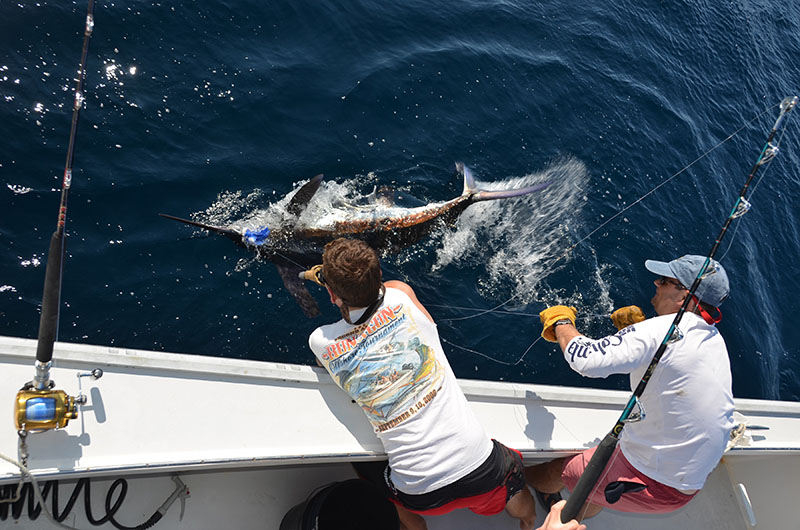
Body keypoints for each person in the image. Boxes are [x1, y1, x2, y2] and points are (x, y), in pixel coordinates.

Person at [308, 237, 537, 530]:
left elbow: (330, 359)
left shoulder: (320, 342)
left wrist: (337, 290)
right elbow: (386, 292)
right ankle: (530, 521)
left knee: (366, 470)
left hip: (418, 494)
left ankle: (416, 527)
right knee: (512, 481)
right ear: (379, 276)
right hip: (481, 470)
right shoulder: (400, 295)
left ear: (330, 295)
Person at [525, 254, 736, 519]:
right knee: (594, 468)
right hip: (685, 480)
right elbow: (673, 362)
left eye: (666, 281)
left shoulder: (661, 331)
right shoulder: (714, 339)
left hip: (653, 481)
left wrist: (561, 322)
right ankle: (590, 495)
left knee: (553, 472)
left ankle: (522, 482)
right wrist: (638, 328)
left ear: (684, 297)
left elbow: (586, 360)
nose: (657, 283)